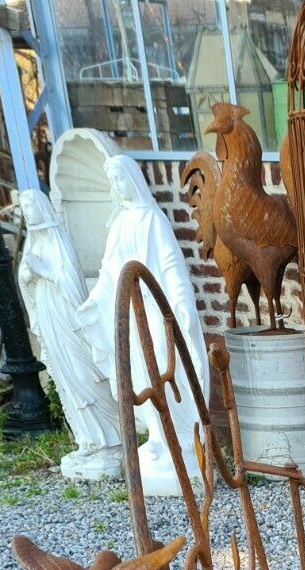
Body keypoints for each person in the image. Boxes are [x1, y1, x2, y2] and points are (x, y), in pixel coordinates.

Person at [78, 155, 209, 497]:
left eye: (122, 180)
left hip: (154, 311)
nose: (118, 188)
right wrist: (96, 299)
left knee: (167, 372)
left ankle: (180, 438)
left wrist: (180, 304)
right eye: (113, 183)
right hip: (132, 319)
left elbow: (171, 265)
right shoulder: (120, 225)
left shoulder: (153, 220)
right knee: (139, 376)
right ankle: (157, 438)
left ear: (134, 181)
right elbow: (111, 271)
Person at [17, 190, 122, 481]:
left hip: (69, 323)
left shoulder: (58, 241)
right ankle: (89, 441)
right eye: (23, 209)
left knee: (84, 376)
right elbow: (26, 283)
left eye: (31, 207)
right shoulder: (32, 243)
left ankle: (112, 442)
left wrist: (47, 272)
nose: (28, 214)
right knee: (68, 383)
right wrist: (27, 277)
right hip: (51, 324)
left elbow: (72, 284)